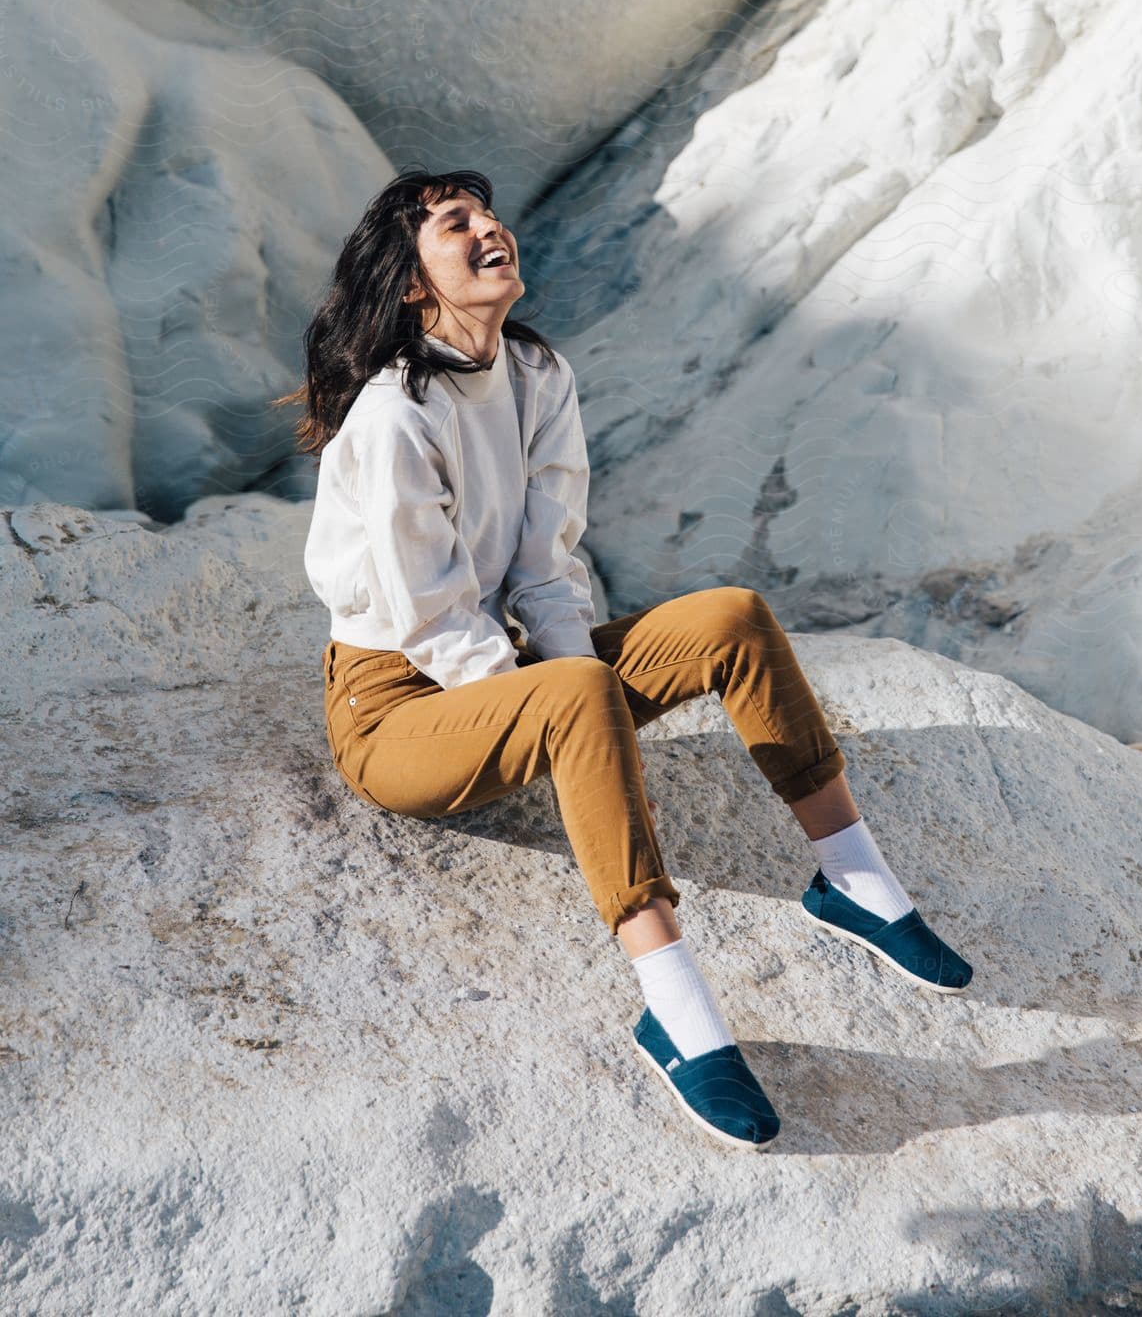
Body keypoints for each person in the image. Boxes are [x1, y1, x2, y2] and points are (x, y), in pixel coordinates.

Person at [283, 165, 972, 1152]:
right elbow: (432, 618)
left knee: (730, 616)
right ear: (409, 282)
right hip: (396, 714)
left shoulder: (536, 374)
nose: (490, 229)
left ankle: (853, 878)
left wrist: (585, 696)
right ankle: (678, 1011)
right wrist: (564, 713)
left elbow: (545, 569)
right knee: (571, 694)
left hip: (516, 665)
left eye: (489, 211)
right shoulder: (395, 415)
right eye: (454, 224)